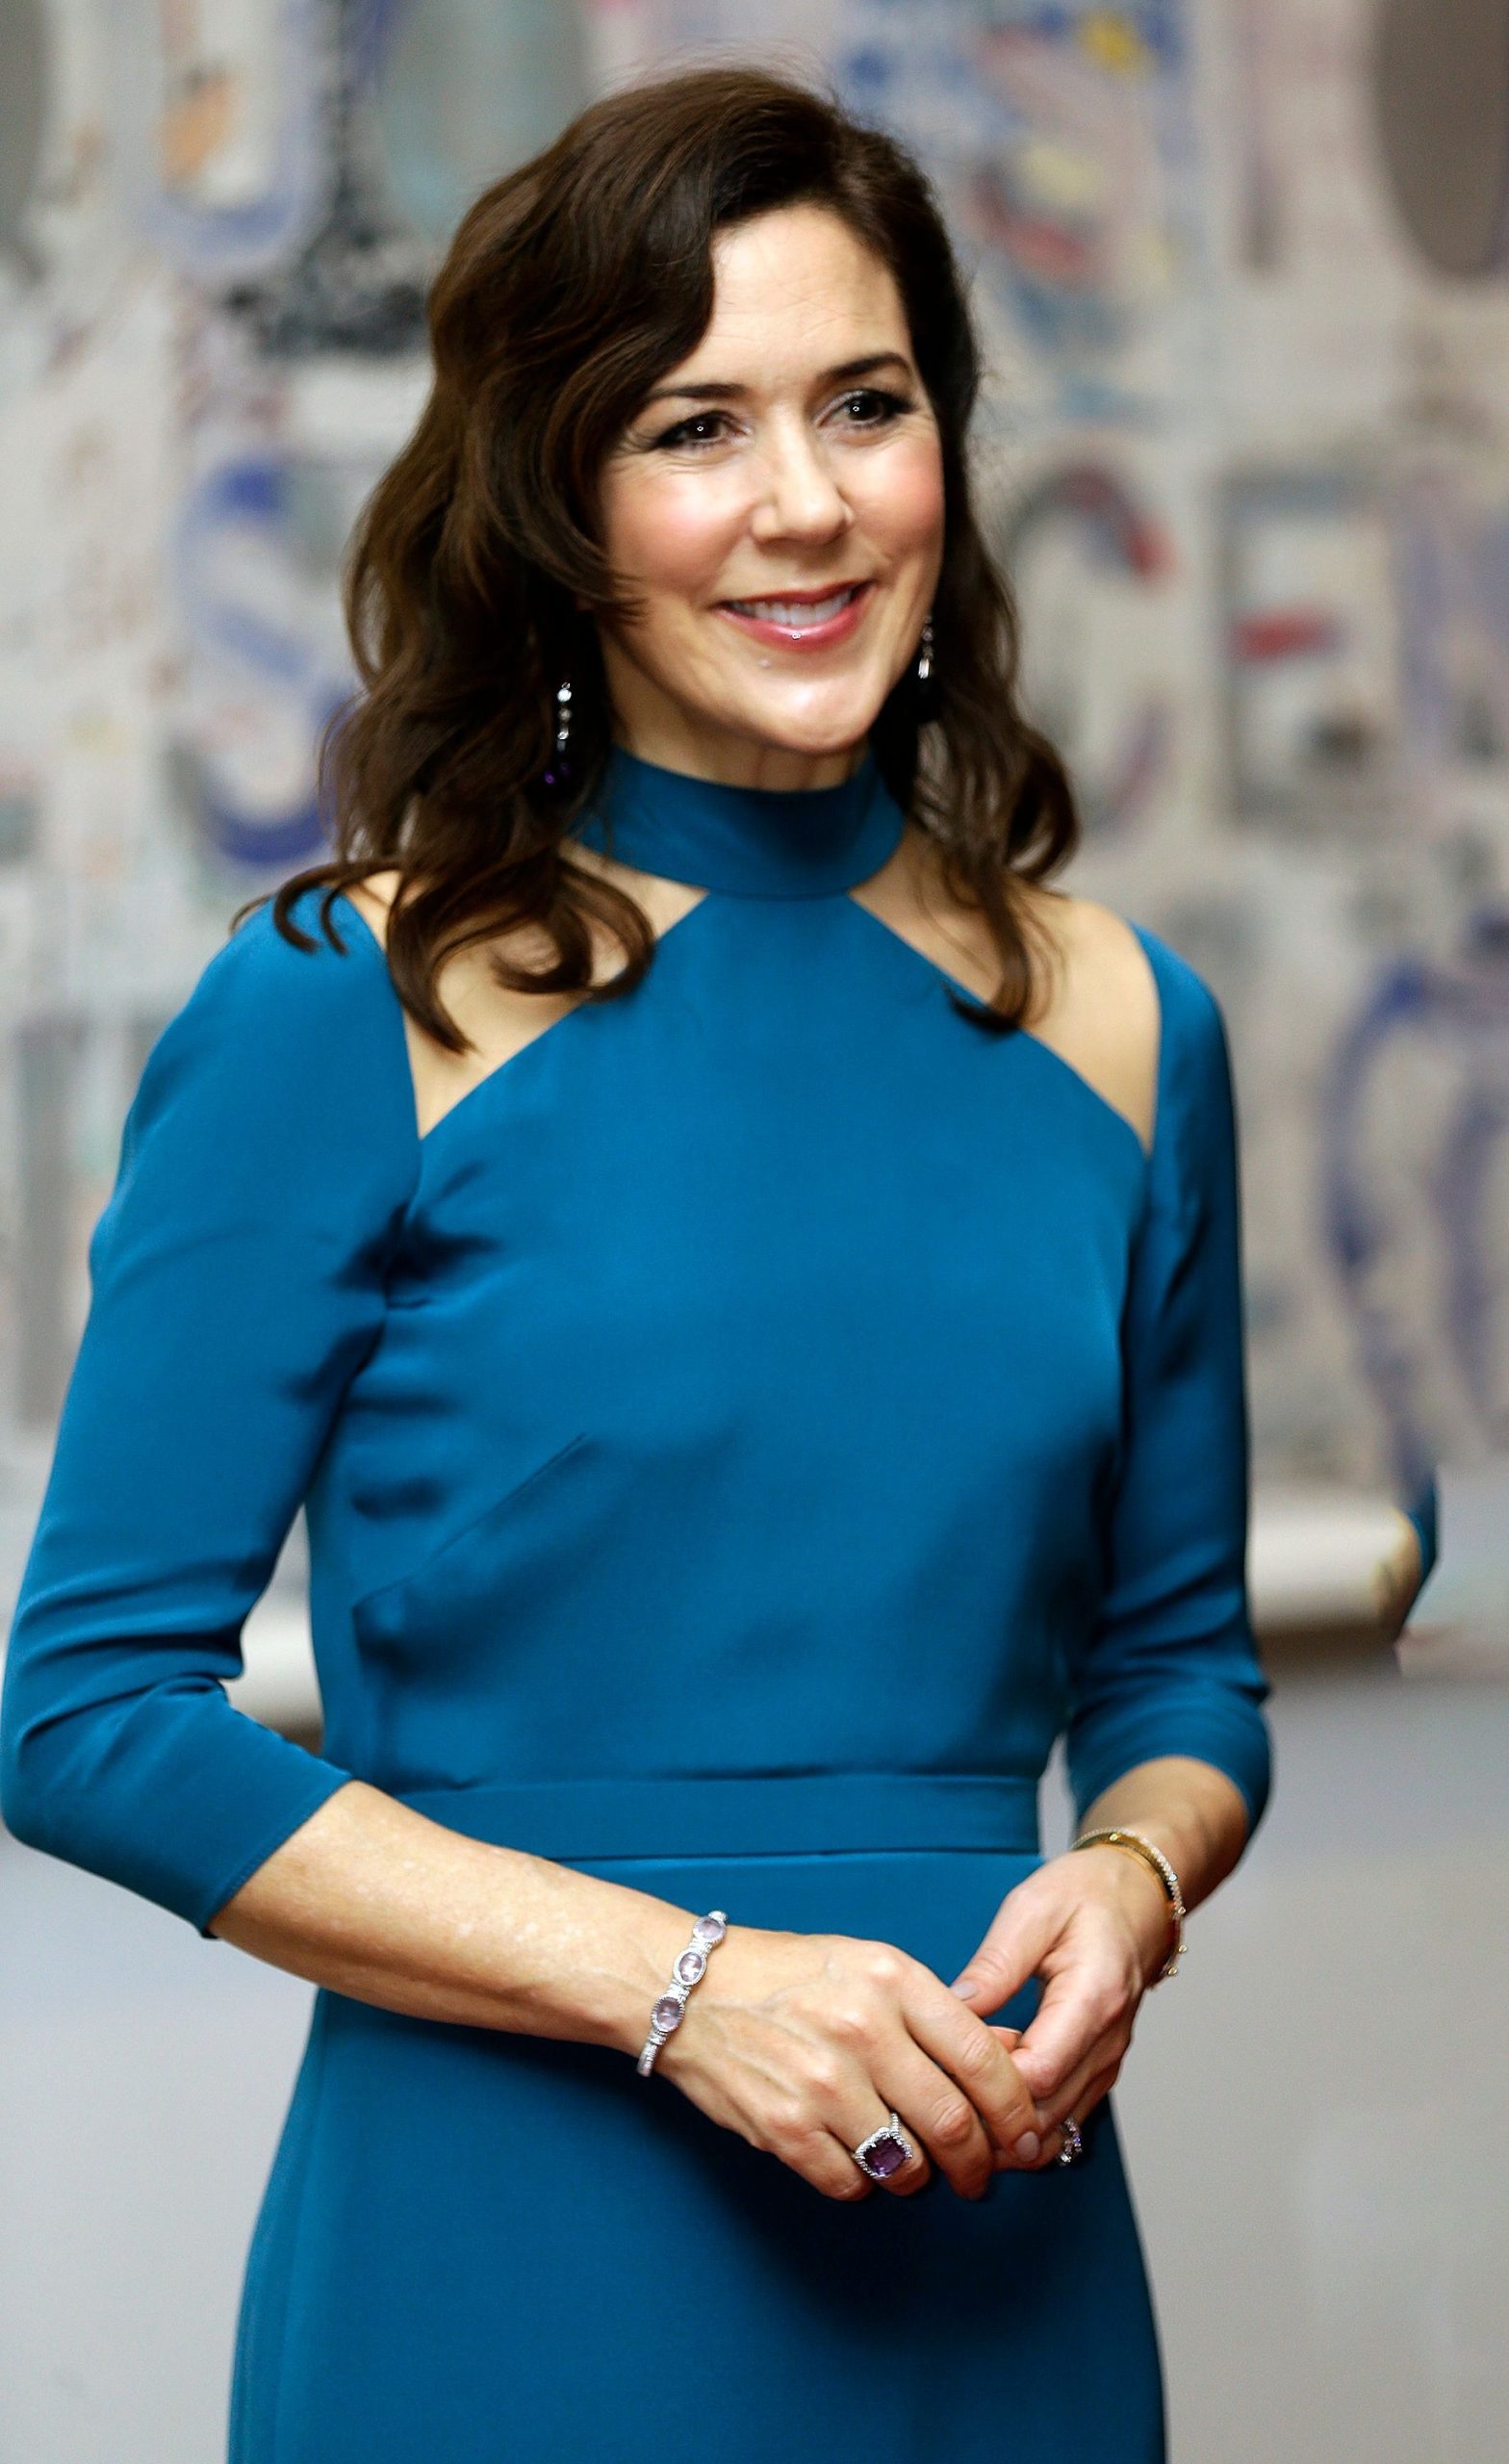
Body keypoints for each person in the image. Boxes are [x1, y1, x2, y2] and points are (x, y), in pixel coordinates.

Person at [1, 65, 1279, 2464]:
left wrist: (1128, 1872)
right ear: (557, 500)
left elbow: (1179, 1662)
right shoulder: (348, 1004)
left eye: (865, 404)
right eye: (694, 426)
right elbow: (80, 1710)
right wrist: (679, 1985)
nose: (804, 501)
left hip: (995, 2253)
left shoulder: (1122, 1025)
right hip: (507, 2265)